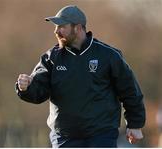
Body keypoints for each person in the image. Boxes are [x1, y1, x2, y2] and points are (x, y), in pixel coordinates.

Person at [15, 5, 146, 148]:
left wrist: (135, 124)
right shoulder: (51, 57)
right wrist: (26, 87)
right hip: (64, 137)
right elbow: (39, 90)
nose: (56, 31)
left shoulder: (108, 56)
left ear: (77, 28)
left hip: (101, 136)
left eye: (61, 26)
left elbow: (130, 91)